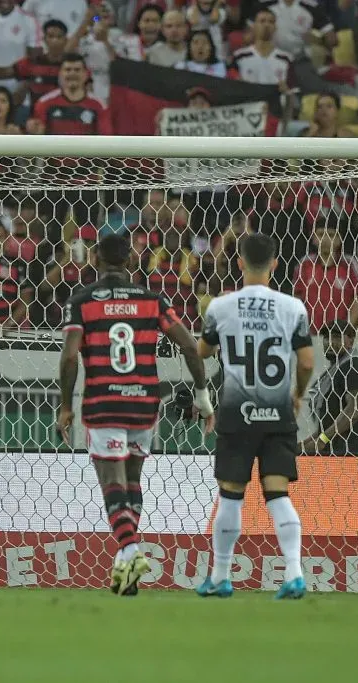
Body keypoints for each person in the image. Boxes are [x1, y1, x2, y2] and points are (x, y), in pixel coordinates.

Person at [57, 233, 214, 596]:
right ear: (130, 261)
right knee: (132, 484)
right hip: (144, 405)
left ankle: (129, 549)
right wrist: (203, 396)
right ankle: (125, 568)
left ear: (96, 259)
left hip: (104, 404)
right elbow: (191, 346)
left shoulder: (82, 301)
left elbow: (68, 356)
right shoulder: (152, 300)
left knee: (112, 483)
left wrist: (66, 404)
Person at [194, 233, 316, 600]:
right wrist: (297, 394)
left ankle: (219, 576)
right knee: (278, 494)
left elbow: (200, 352)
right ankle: (294, 573)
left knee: (230, 497)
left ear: (240, 263)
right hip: (278, 414)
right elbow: (307, 361)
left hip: (237, 414)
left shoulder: (221, 307)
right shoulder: (293, 307)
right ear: (276, 265)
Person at [303, 320, 358, 456]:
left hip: (350, 454)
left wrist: (322, 440)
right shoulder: (333, 372)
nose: (329, 342)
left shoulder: (354, 365)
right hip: (334, 453)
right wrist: (305, 443)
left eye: (336, 337)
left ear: (351, 340)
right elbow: (328, 424)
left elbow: (355, 409)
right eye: (326, 337)